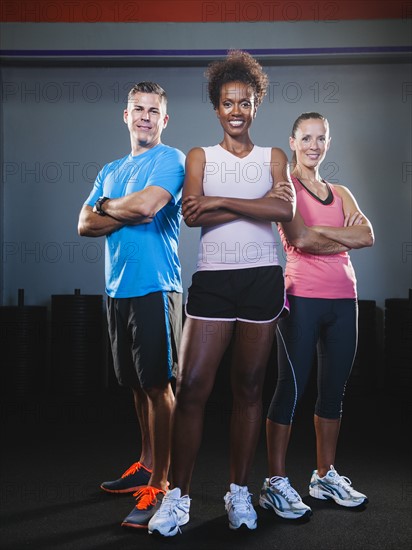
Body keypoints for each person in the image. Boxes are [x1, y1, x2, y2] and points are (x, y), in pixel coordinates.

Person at [148, 50, 295, 537]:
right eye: (228, 102)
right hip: (213, 280)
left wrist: (221, 201)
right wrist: (254, 205)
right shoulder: (199, 156)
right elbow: (191, 213)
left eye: (246, 102)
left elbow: (284, 211)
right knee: (192, 388)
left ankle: (238, 493)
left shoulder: (274, 156)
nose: (237, 110)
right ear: (217, 106)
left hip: (261, 279)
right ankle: (179, 496)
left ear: (256, 107)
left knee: (249, 389)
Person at [77, 81, 185, 529]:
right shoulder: (110, 168)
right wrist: (111, 207)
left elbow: (146, 209)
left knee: (159, 386)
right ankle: (144, 463)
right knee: (138, 386)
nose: (144, 116)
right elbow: (85, 223)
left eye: (152, 110)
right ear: (126, 116)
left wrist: (108, 207)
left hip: (156, 287)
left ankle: (160, 485)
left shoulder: (172, 159)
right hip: (117, 289)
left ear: (164, 119)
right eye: (137, 109)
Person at [259, 112, 374, 520]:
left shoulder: (340, 191)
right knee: (289, 389)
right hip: (300, 298)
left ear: (328, 142)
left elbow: (368, 235)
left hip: (345, 300)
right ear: (292, 141)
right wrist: (341, 237)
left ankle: (324, 475)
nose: (314, 145)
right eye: (306, 137)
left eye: (320, 138)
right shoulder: (284, 188)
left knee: (333, 393)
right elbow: (300, 238)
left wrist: (324, 235)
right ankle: (275, 481)